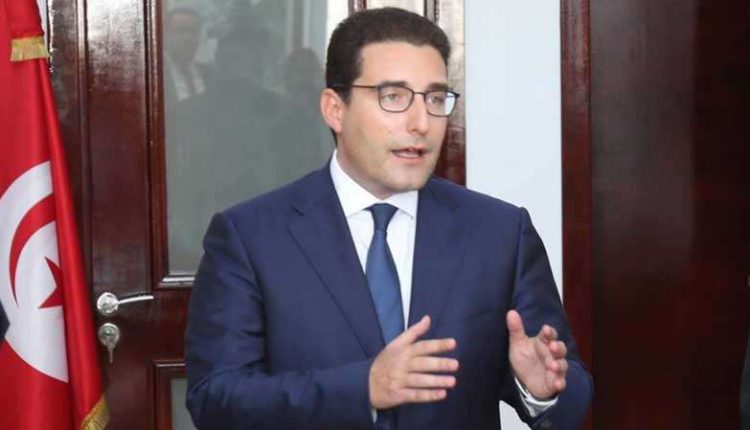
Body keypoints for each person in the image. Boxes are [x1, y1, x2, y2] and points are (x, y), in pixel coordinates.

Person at [185, 7, 592, 430]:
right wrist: (362, 388)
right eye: (393, 97)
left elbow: (571, 395)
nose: (421, 123)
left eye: (435, 99)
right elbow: (216, 400)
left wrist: (541, 392)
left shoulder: (500, 233)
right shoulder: (250, 238)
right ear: (334, 109)